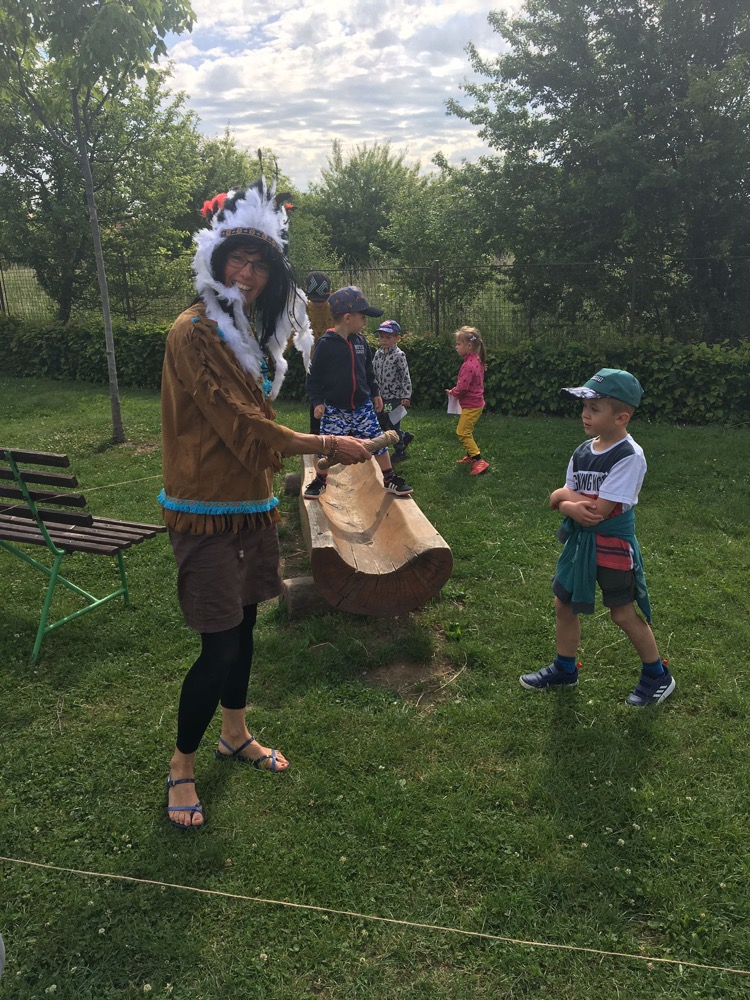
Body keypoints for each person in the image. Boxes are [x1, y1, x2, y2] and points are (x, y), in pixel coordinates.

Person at [160, 182, 372, 829]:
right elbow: (242, 423)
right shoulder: (195, 331)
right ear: (215, 260)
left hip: (251, 505)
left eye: (259, 265)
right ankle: (181, 766)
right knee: (219, 646)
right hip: (204, 509)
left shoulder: (246, 328)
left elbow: (261, 407)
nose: (247, 274)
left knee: (245, 630)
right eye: (237, 260)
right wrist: (325, 443)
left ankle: (234, 734)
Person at [519, 368, 675, 707]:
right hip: (581, 544)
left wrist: (562, 499)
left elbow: (596, 511)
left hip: (612, 546)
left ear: (621, 417)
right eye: (584, 406)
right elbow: (567, 499)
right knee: (563, 604)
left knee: (622, 613)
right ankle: (565, 669)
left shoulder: (629, 456)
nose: (585, 414)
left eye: (594, 408)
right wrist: (565, 502)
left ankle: (657, 675)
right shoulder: (582, 451)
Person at [303, 286, 413, 499]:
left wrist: (375, 393)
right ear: (347, 318)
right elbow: (313, 378)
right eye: (362, 317)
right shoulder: (325, 345)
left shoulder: (361, 342)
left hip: (362, 406)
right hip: (335, 408)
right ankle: (320, 480)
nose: (364, 322)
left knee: (378, 440)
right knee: (327, 445)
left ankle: (389, 478)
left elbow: (368, 372)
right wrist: (317, 401)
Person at [445, 325, 489, 475]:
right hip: (475, 403)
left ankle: (479, 460)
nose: (456, 347)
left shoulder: (468, 365)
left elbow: (463, 387)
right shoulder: (476, 360)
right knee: (466, 430)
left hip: (472, 405)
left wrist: (452, 392)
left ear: (469, 346)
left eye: (458, 344)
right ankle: (470, 456)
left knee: (462, 432)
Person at [372, 319, 414, 464]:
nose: (383, 340)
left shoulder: (399, 355)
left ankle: (400, 450)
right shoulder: (378, 353)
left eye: (388, 337)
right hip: (381, 397)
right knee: (382, 422)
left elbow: (405, 376)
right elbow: (373, 372)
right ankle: (404, 436)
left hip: (395, 397)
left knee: (393, 423)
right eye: (381, 337)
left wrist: (406, 396)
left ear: (397, 338)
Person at [304, 271, 334, 433]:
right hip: (314, 363)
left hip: (335, 362)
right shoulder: (304, 309)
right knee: (316, 400)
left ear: (330, 292)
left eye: (322, 300)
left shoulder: (336, 307)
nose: (319, 304)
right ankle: (315, 433)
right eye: (315, 300)